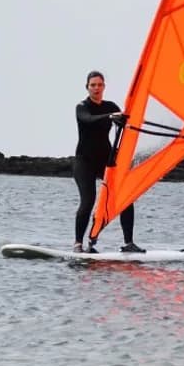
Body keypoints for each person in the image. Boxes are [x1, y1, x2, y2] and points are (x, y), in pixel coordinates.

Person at [73, 70, 145, 254]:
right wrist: (110, 117)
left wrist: (127, 119)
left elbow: (127, 122)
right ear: (87, 87)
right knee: (88, 201)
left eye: (99, 85)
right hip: (84, 162)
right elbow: (88, 120)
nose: (96, 88)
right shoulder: (82, 107)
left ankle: (129, 243)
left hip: (106, 160)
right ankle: (78, 244)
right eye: (93, 85)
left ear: (104, 86)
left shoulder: (110, 106)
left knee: (125, 197)